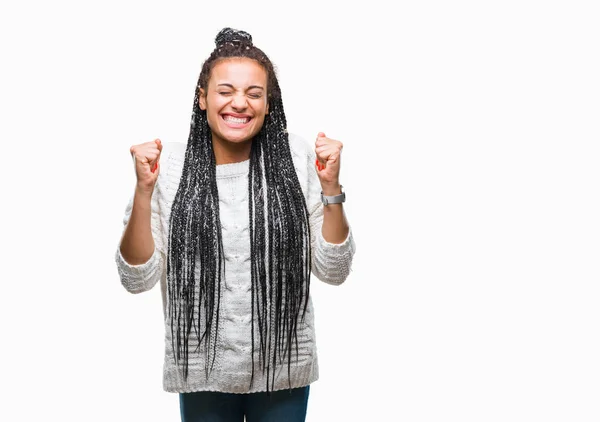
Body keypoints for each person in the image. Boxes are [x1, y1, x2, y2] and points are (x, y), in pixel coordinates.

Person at [115, 27, 355, 422]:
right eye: (225, 91)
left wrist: (331, 186)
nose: (239, 103)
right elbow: (135, 278)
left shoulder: (296, 158)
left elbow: (334, 270)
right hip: (203, 372)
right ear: (203, 98)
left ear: (267, 103)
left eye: (254, 93)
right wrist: (144, 190)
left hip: (284, 371)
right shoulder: (169, 167)